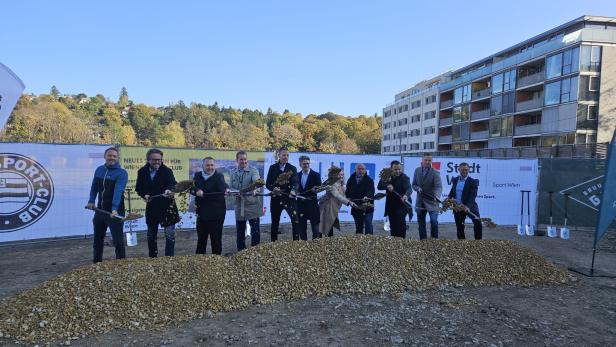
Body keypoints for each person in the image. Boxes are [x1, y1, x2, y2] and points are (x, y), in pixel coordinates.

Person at [85, 147, 128, 263]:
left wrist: (114, 208)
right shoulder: (99, 170)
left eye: (114, 156)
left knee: (118, 241)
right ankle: (97, 263)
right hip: (100, 211)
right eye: (110, 155)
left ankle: (121, 265)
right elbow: (94, 187)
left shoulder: (122, 173)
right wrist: (91, 201)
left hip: (115, 212)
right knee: (97, 240)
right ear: (105, 156)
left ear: (118, 158)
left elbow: (118, 191)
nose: (112, 158)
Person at [135, 148, 178, 257]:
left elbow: (173, 184)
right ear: (148, 160)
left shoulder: (167, 171)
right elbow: (139, 188)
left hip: (167, 207)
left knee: (169, 235)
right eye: (154, 160)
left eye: (159, 159)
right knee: (151, 235)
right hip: (152, 207)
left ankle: (169, 259)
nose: (157, 162)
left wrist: (169, 190)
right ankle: (153, 258)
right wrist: (144, 195)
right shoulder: (142, 172)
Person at [191, 157, 228, 255]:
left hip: (216, 214)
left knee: (216, 239)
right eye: (207, 165)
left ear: (214, 166)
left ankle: (216, 261)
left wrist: (226, 190)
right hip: (201, 213)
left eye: (212, 165)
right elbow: (191, 188)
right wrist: (196, 191)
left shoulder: (219, 176)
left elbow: (224, 186)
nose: (210, 167)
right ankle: (200, 261)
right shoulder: (197, 175)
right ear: (203, 166)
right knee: (201, 240)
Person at [230, 151, 263, 251]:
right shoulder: (233, 173)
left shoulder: (253, 171)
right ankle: (241, 253)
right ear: (237, 160)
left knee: (255, 232)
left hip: (253, 205)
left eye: (245, 159)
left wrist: (256, 189)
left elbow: (257, 182)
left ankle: (255, 252)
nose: (243, 161)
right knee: (240, 232)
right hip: (240, 206)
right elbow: (231, 187)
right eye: (241, 159)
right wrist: (232, 192)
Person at [265, 147, 300, 241]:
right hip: (276, 199)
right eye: (284, 155)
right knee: (275, 222)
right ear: (279, 155)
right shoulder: (272, 168)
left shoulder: (292, 168)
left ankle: (296, 243)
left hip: (289, 198)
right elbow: (268, 183)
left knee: (295, 220)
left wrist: (294, 190)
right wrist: (273, 189)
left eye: (287, 155)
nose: (286, 157)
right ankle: (273, 243)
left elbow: (296, 183)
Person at [318, 167, 357, 237]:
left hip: (332, 208)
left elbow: (346, 195)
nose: (341, 176)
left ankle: (326, 243)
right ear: (335, 175)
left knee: (328, 226)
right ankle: (319, 244)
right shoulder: (332, 184)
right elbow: (337, 195)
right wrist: (349, 202)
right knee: (323, 228)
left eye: (342, 174)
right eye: (339, 174)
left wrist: (354, 199)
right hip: (326, 208)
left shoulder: (342, 184)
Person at [448, 162, 483, 240]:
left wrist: (467, 206)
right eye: (462, 170)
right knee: (459, 226)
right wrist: (448, 199)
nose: (464, 171)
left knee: (478, 223)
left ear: (469, 170)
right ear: (459, 169)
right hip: (457, 207)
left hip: (470, 207)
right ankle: (462, 243)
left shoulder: (473, 181)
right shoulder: (455, 180)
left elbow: (472, 196)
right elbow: (452, 192)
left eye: (466, 170)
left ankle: (478, 242)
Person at [412, 153, 442, 240]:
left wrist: (436, 195)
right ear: (422, 161)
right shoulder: (417, 170)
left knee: (434, 221)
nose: (428, 162)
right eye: (426, 160)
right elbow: (413, 184)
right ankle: (423, 241)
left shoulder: (435, 172)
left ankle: (434, 241)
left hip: (432, 201)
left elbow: (438, 186)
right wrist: (417, 188)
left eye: (430, 160)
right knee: (421, 223)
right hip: (420, 202)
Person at [378, 160, 411, 238]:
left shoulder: (405, 177)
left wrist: (406, 195)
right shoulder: (386, 174)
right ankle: (394, 243)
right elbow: (379, 186)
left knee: (401, 225)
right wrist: (387, 186)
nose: (398, 171)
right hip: (391, 205)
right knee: (393, 226)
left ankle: (402, 242)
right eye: (395, 169)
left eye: (399, 169)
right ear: (391, 169)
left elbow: (409, 188)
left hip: (402, 204)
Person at [296, 155, 321, 240]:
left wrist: (316, 189)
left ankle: (315, 246)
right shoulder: (296, 175)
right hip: (300, 206)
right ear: (300, 164)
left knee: (315, 228)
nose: (306, 165)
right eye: (304, 164)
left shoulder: (316, 175)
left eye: (307, 163)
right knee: (301, 228)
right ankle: (304, 246)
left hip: (312, 205)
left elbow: (319, 188)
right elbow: (294, 188)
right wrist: (295, 192)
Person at [345, 163, 375, 234]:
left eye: (362, 169)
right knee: (358, 226)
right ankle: (359, 242)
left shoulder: (369, 180)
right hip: (356, 206)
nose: (361, 170)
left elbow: (371, 191)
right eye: (359, 169)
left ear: (365, 170)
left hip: (368, 206)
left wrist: (367, 196)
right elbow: (347, 191)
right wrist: (348, 198)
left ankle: (369, 241)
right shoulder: (350, 179)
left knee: (368, 223)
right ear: (355, 170)